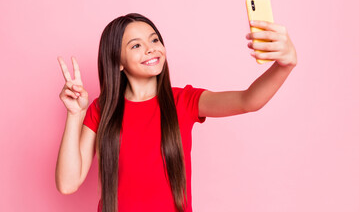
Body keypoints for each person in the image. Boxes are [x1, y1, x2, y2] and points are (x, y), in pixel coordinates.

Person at [55, 13, 297, 212]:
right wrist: (75, 114)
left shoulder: (184, 101)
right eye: (137, 45)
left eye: (154, 40)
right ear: (118, 61)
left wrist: (284, 65)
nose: (151, 49)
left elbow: (248, 100)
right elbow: (67, 184)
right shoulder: (102, 109)